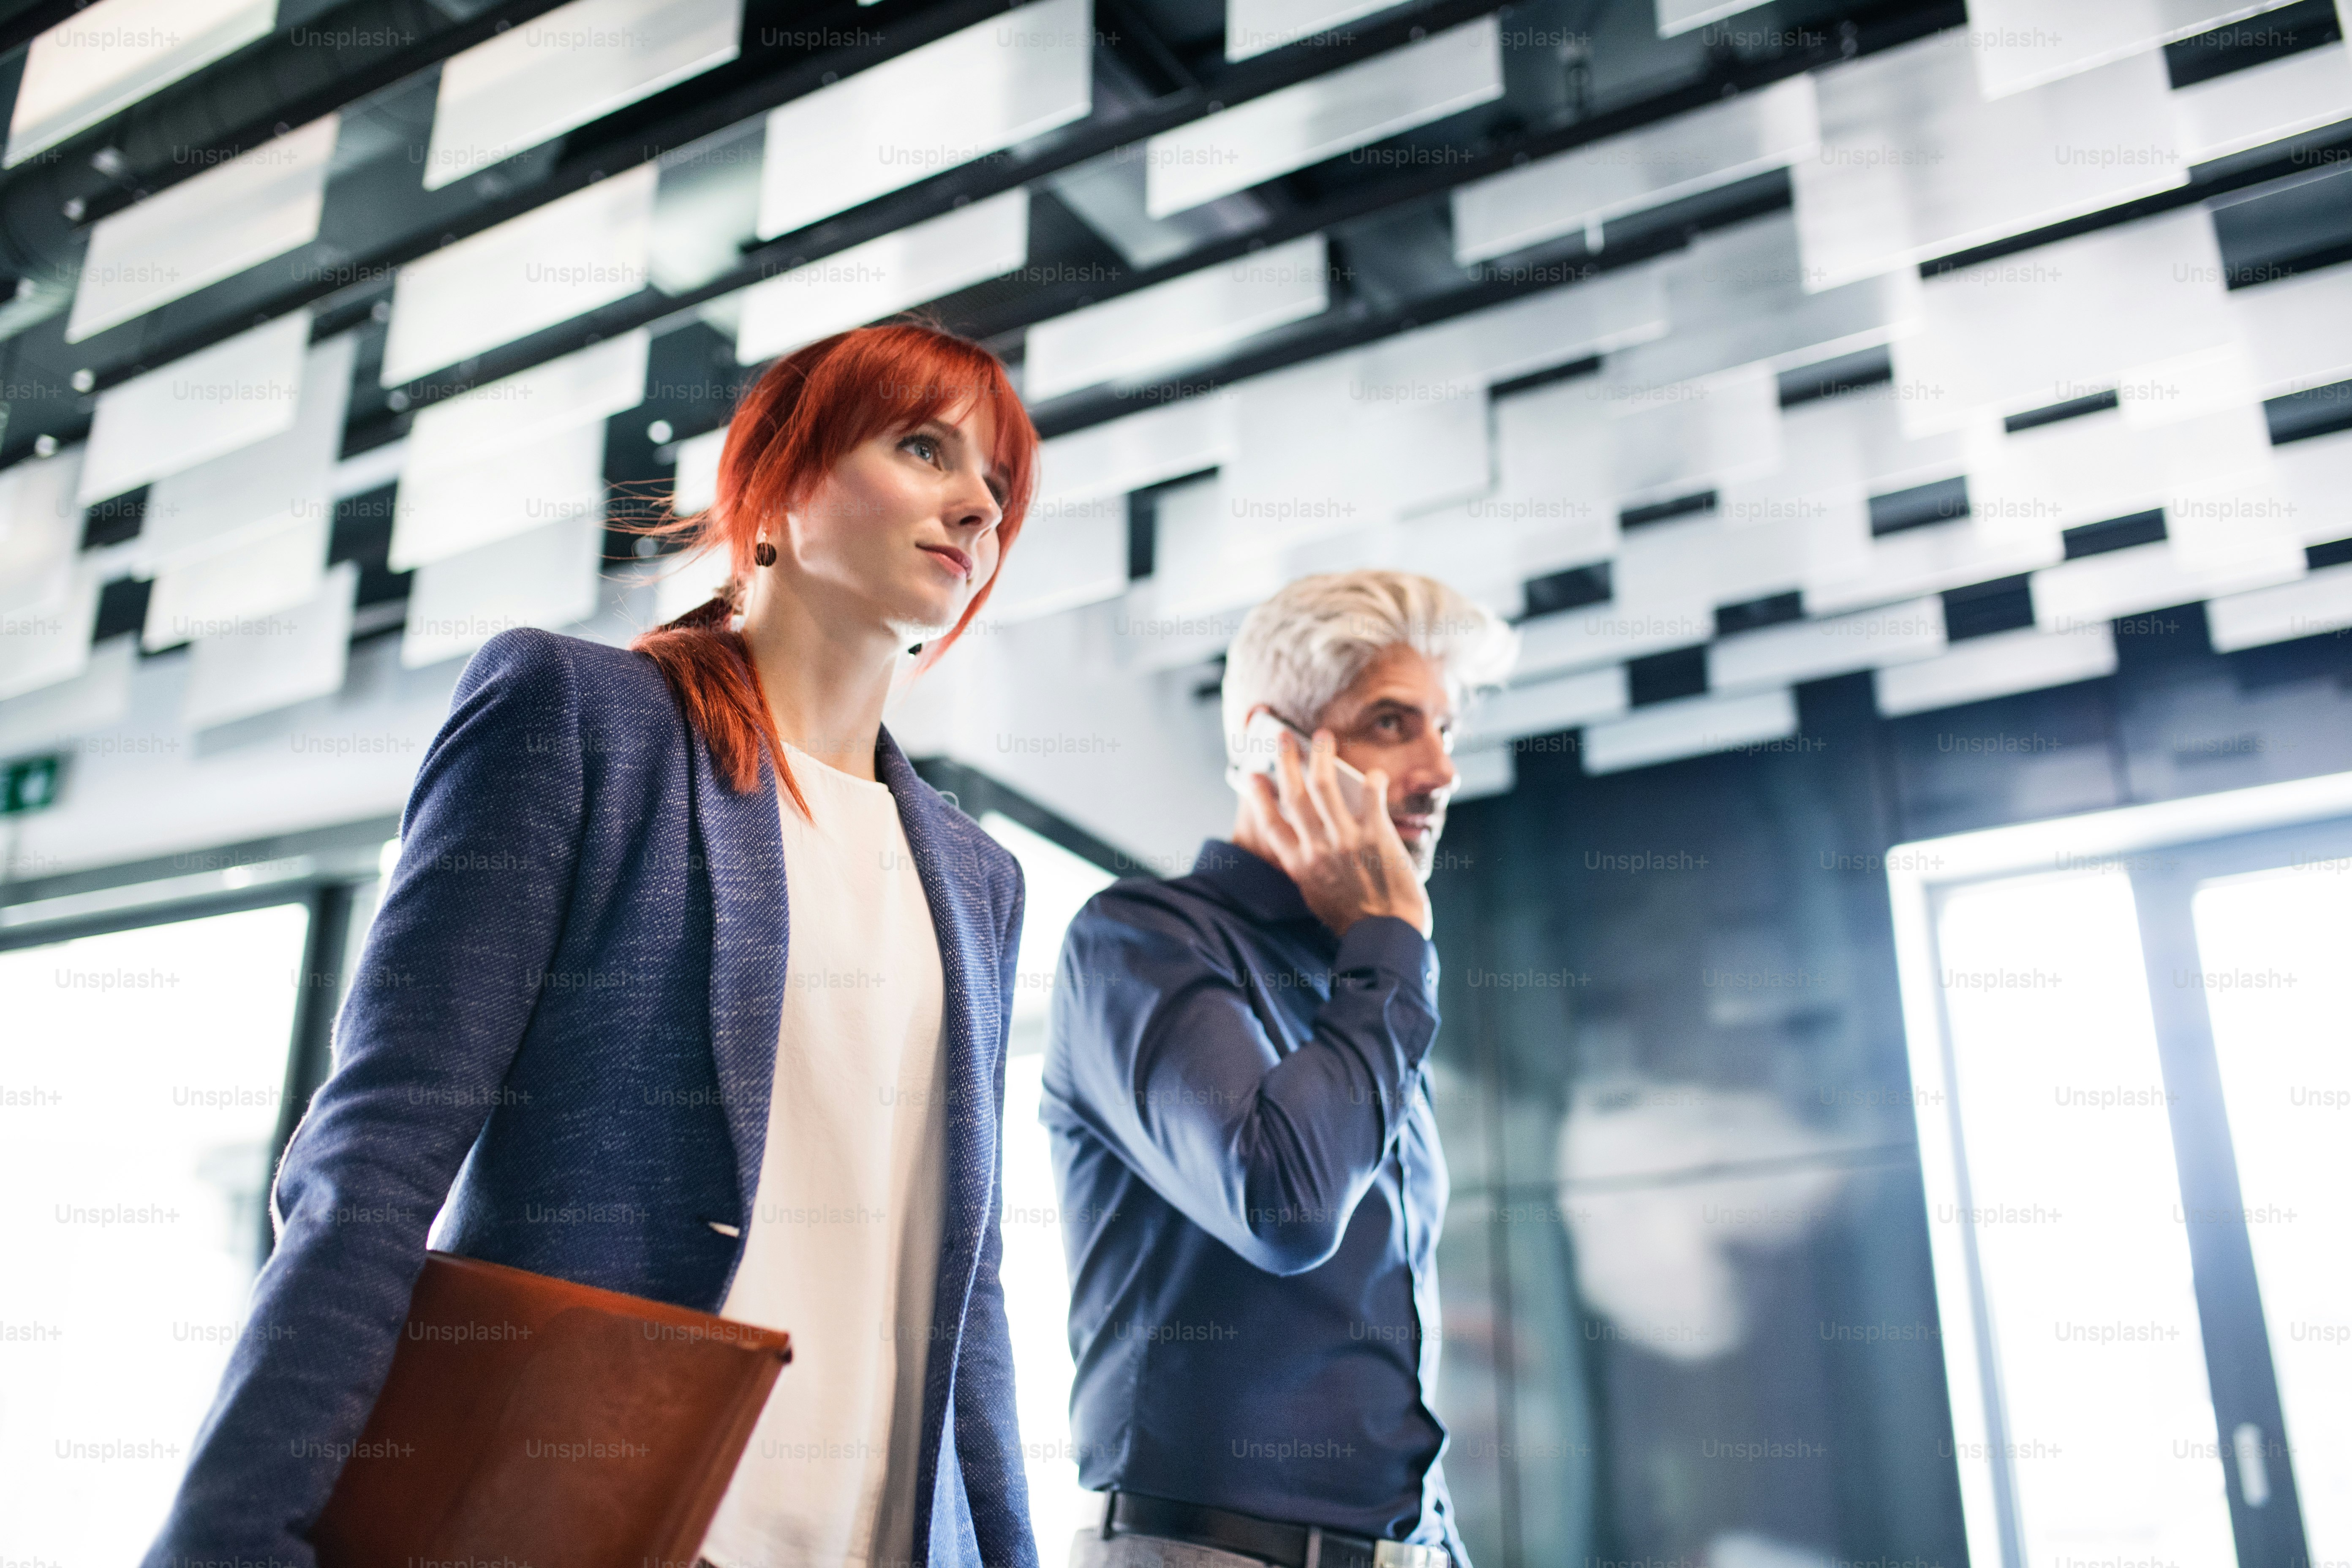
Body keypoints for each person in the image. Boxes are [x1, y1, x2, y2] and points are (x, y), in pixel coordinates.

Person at [144, 322, 1045, 1568]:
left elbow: (971, 1287)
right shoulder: (582, 720)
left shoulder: (979, 878)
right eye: (925, 449)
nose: (976, 506)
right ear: (776, 482)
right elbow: (379, 1154)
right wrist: (230, 1538)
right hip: (596, 1517)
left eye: (998, 486)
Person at [1043, 570, 1518, 1568]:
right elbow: (1284, 1205)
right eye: (1393, 722)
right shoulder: (1140, 941)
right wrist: (1393, 936)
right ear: (1274, 742)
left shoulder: (1361, 978)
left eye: (1445, 727)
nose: (1441, 769)